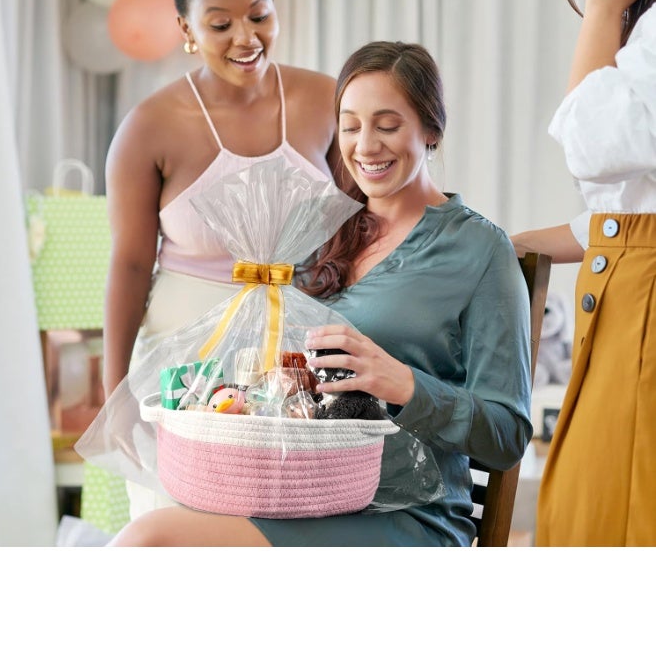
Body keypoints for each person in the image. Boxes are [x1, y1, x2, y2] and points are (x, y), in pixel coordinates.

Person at [109, 40, 533, 547]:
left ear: (431, 129)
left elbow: (506, 436)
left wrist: (401, 383)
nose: (366, 146)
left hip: (410, 514)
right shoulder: (319, 233)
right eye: (350, 126)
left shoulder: (479, 248)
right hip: (297, 495)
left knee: (152, 541)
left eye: (388, 125)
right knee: (150, 532)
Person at [77, 0, 339, 519]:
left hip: (296, 352)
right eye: (220, 24)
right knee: (178, 524)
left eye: (259, 15)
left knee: (290, 524)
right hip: (181, 360)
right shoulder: (149, 126)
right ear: (186, 29)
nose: (245, 38)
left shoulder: (327, 100)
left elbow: (362, 229)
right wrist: (114, 390)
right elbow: (127, 264)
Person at [502, 0, 656, 546]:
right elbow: (624, 215)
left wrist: (601, 5)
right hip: (624, 297)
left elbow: (590, 149)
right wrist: (509, 243)